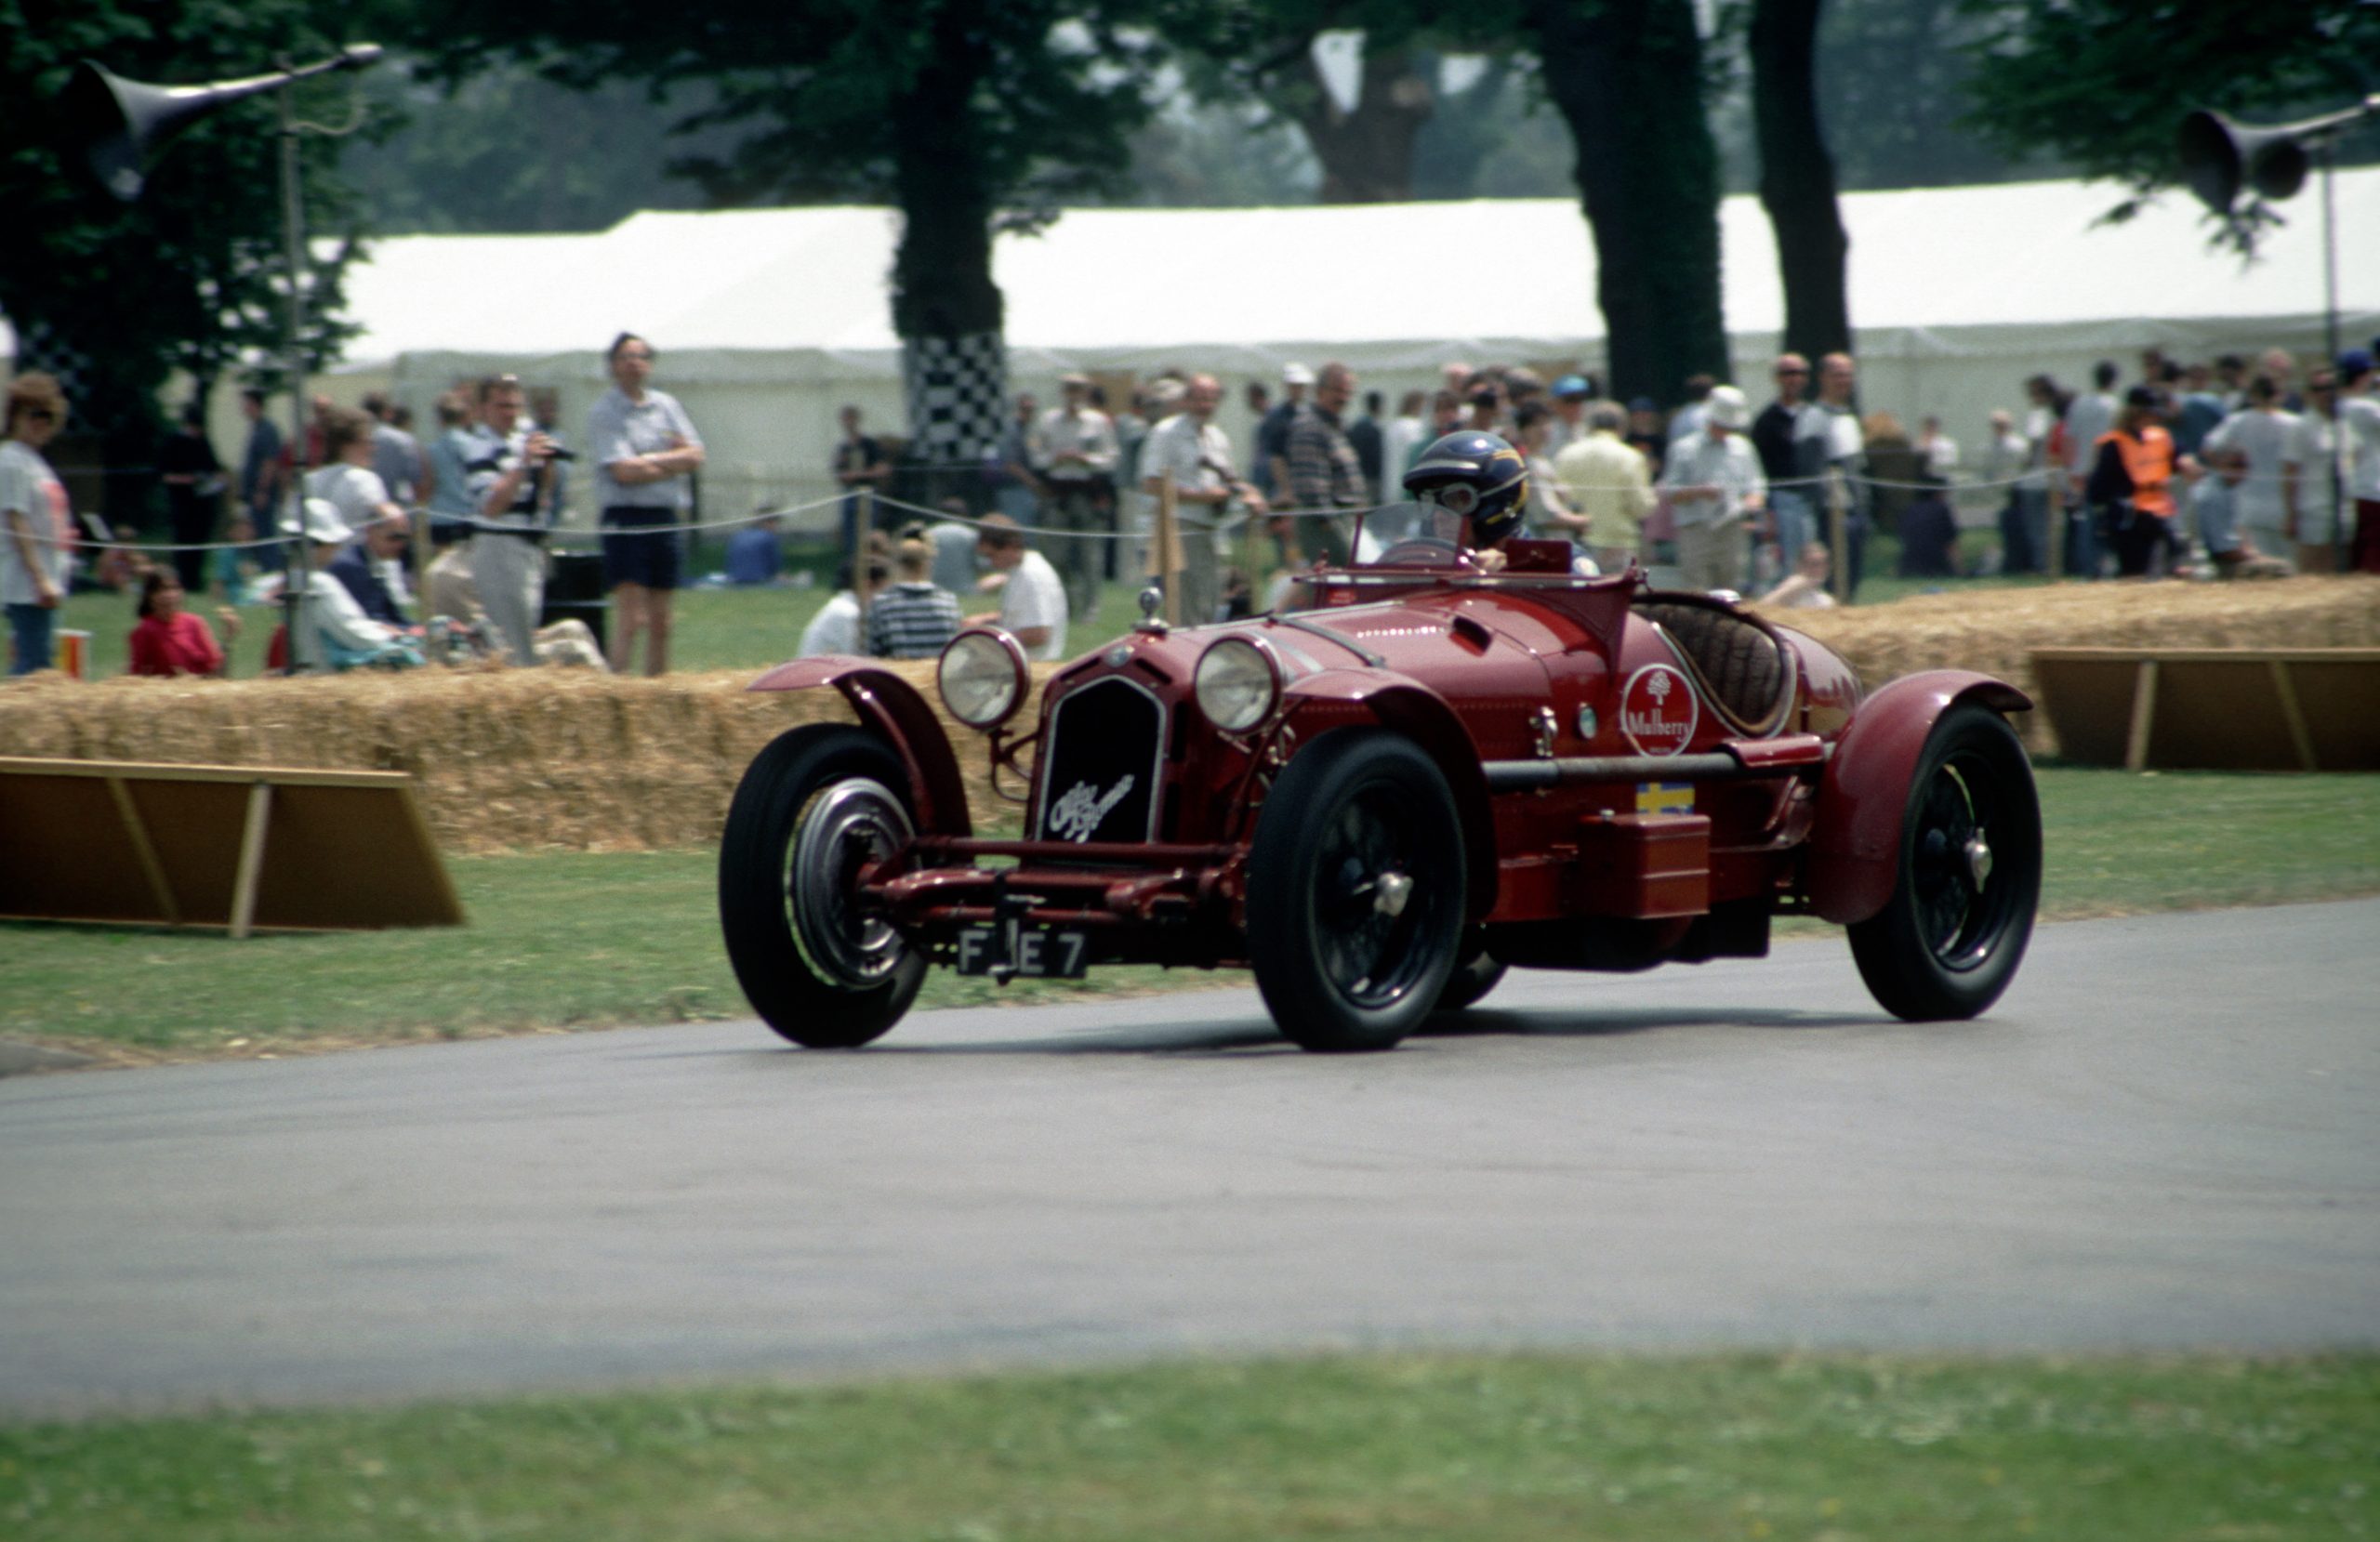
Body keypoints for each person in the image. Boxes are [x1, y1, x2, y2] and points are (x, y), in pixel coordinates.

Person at [588, 331, 705, 676]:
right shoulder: (605, 412)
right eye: (626, 357)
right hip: (626, 518)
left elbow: (696, 455)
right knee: (631, 618)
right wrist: (671, 461)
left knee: (662, 621)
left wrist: (649, 461)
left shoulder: (666, 406)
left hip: (664, 517)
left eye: (640, 357)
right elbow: (623, 471)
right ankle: (618, 689)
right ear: (613, 365)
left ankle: (657, 690)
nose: (634, 363)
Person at [1139, 372, 1265, 626]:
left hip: (1213, 530)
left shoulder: (1217, 437)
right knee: (1186, 609)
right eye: (1199, 399)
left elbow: (1230, 480)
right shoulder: (1166, 433)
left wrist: (1250, 494)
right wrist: (1203, 497)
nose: (1205, 405)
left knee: (1211, 604)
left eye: (1211, 399)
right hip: (1179, 528)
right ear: (1185, 400)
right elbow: (1151, 484)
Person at [468, 376, 562, 666]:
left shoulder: (519, 440)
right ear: (483, 408)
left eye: (515, 406)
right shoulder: (479, 446)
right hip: (499, 545)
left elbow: (543, 495)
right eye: (502, 406)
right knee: (513, 642)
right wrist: (524, 463)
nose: (509, 413)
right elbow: (491, 506)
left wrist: (546, 465)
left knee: (525, 632)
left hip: (527, 545)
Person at [282, 498, 419, 671]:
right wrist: (394, 638)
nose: (337, 548)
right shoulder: (318, 583)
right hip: (329, 672)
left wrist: (378, 627)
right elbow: (355, 633)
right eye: (333, 543)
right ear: (317, 544)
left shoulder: (293, 579)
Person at [1659, 385, 1765, 593]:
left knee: (1731, 589)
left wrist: (1753, 501)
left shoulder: (1743, 448)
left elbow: (1756, 485)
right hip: (1695, 527)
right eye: (1721, 425)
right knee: (1696, 590)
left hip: (1732, 527)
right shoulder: (1684, 448)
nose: (1725, 430)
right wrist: (1699, 492)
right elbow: (1670, 492)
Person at [2, 373, 74, 675]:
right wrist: (40, 578)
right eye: (33, 414)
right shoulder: (11, 461)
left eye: (47, 416)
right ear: (16, 416)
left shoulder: (35, 461)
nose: (40, 423)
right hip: (26, 583)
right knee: (35, 667)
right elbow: (16, 522)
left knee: (37, 660)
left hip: (46, 577)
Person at [1032, 373, 1118, 621]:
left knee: (1090, 554)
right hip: (1058, 491)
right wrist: (1055, 459)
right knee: (1055, 554)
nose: (1074, 395)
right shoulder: (1048, 420)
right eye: (1070, 389)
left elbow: (1111, 458)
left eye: (1079, 390)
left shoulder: (1098, 421)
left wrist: (1085, 459)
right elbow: (1037, 457)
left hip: (1088, 492)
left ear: (1086, 393)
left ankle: (1091, 609)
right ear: (1063, 392)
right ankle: (1066, 605)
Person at [2202, 375, 2297, 570]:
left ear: (2252, 395)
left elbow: (2209, 449)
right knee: (2289, 567)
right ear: (2280, 394)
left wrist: (2228, 471)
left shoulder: (2237, 421)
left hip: (2247, 504)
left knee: (2258, 567)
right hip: (2285, 506)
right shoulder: (2294, 423)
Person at [2085, 386, 2179, 578]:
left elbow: (2177, 458)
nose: (2154, 418)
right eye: (2149, 413)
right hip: (2129, 517)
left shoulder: (2160, 437)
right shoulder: (2114, 443)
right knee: (2133, 570)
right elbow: (2098, 488)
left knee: (2172, 553)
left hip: (2159, 511)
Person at [1401, 430, 1531, 568]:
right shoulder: (1427, 565)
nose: (1439, 515)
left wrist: (1505, 571)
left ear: (1497, 501)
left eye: (1456, 500)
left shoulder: (1535, 567)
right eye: (1429, 503)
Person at [1554, 402, 1654, 574]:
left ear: (1589, 426)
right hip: (1618, 543)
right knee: (1618, 591)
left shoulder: (1566, 454)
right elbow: (1641, 507)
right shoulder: (1631, 457)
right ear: (1621, 427)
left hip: (1575, 542)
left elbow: (1558, 500)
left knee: (1578, 590)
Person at [1283, 361, 1365, 571]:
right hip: (1324, 524)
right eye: (1337, 391)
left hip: (1344, 520)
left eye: (1347, 392)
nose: (1343, 397)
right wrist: (1331, 526)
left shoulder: (1335, 426)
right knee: (1330, 584)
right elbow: (1312, 487)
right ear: (1320, 391)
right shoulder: (1310, 427)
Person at [1751, 353, 1820, 572]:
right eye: (1788, 373)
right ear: (1777, 378)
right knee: (1789, 564)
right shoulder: (1766, 421)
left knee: (1813, 562)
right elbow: (1760, 469)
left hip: (1812, 500)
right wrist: (1768, 511)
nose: (1794, 378)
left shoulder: (1813, 414)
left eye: (1800, 373)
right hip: (1783, 501)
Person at [970, 514, 1069, 660]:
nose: (991, 563)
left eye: (992, 555)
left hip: (1035, 665)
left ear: (1010, 547)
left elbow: (1038, 634)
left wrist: (991, 643)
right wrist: (984, 620)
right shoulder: (1020, 570)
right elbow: (1023, 615)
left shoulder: (1031, 576)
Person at [2189, 445, 2294, 579]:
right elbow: (2224, 549)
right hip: (2208, 566)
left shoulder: (2223, 489)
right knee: (2281, 568)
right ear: (2218, 465)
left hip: (2219, 560)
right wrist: (2256, 558)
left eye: (2244, 466)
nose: (2241, 471)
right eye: (2235, 465)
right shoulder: (2213, 495)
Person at [305, 406, 405, 537]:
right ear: (346, 445)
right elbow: (392, 517)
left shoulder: (308, 480)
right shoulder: (364, 479)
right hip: (352, 548)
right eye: (368, 442)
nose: (373, 448)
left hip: (317, 550)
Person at [156, 402, 224, 595]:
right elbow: (164, 474)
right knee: (182, 542)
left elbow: (214, 467)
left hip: (202, 504)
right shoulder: (173, 442)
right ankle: (184, 579)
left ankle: (195, 579)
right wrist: (186, 479)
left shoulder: (203, 442)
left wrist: (216, 479)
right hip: (182, 503)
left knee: (199, 541)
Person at [2281, 366, 2343, 573]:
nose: (2326, 393)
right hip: (2314, 513)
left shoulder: (2343, 423)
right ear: (2309, 393)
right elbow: (2290, 472)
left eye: (2331, 387)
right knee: (2314, 573)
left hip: (2345, 512)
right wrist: (2291, 515)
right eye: (2319, 389)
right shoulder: (2301, 426)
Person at [127, 569, 239, 677]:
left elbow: (216, 673)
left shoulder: (194, 623)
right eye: (163, 590)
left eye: (175, 588)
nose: (170, 595)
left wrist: (227, 639)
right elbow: (136, 677)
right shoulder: (145, 631)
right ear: (150, 596)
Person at [865, 536, 961, 659]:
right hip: (937, 670)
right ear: (927, 565)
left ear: (897, 565)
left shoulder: (882, 604)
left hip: (897, 670)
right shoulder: (949, 602)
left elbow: (873, 654)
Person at [2334, 349, 2380, 574]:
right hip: (2371, 489)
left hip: (2347, 490)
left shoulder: (2336, 407)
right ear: (2361, 377)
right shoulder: (2367, 408)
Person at [327, 510, 413, 627]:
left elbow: (393, 616)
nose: (401, 544)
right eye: (394, 537)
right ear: (370, 531)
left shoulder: (374, 560)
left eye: (405, 538)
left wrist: (415, 628)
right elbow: (371, 619)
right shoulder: (351, 566)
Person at [798, 556, 888, 658]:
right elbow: (858, 658)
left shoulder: (843, 606)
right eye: (883, 589)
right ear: (868, 584)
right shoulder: (847, 613)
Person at [832, 404, 892, 532]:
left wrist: (858, 475)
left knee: (867, 530)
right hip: (849, 493)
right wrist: (843, 475)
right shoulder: (844, 447)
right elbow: (838, 471)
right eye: (844, 419)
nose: (847, 423)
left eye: (850, 419)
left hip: (868, 494)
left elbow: (883, 470)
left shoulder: (869, 444)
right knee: (850, 531)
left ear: (856, 420)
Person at [362, 391, 428, 507]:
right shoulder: (403, 439)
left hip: (366, 508)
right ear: (388, 413)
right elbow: (418, 480)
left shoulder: (356, 441)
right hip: (399, 507)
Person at [236, 387, 285, 535]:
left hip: (263, 496)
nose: (244, 408)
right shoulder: (256, 429)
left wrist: (262, 491)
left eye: (246, 403)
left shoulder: (267, 430)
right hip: (253, 495)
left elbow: (270, 462)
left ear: (255, 404)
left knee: (266, 536)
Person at [1756, 541, 1838, 610]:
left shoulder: (1826, 600)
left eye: (1823, 564)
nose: (1818, 570)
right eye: (1813, 564)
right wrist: (1798, 586)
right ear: (1799, 565)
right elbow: (1764, 607)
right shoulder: (1793, 585)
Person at [723, 512, 783, 586]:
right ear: (767, 523)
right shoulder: (769, 537)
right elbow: (774, 564)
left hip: (734, 578)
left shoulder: (738, 536)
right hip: (759, 579)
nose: (776, 527)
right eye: (775, 523)